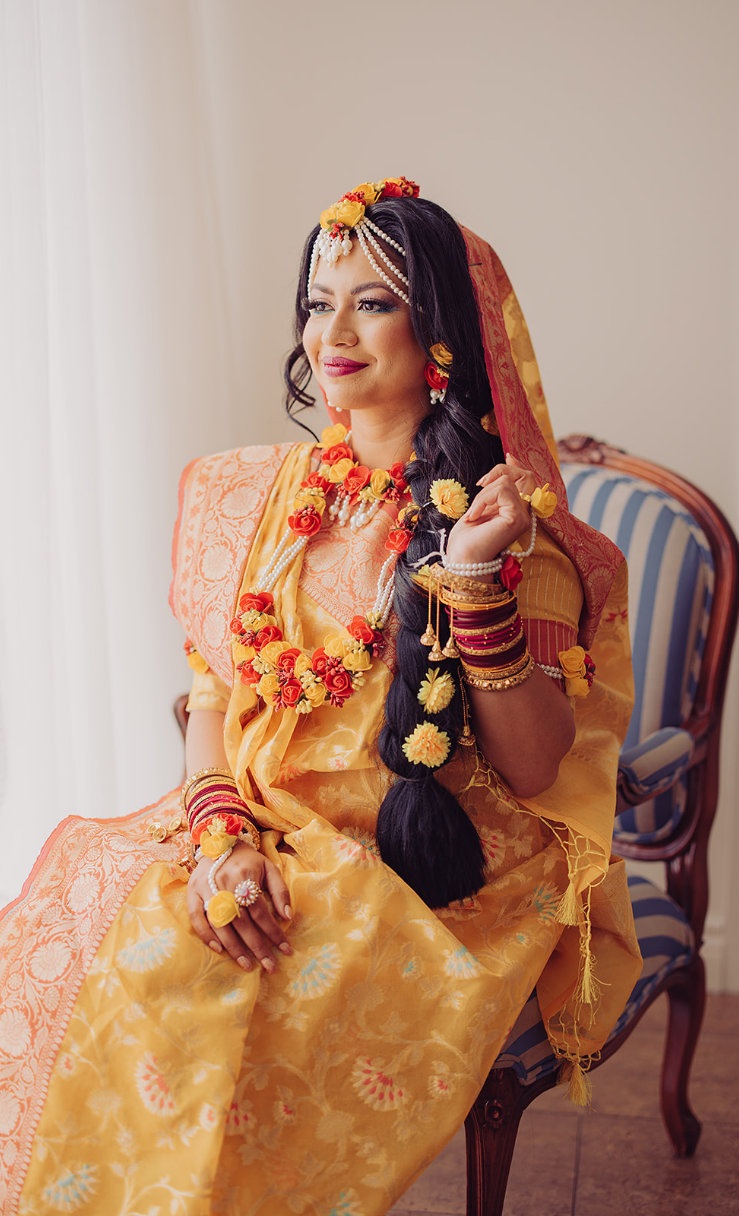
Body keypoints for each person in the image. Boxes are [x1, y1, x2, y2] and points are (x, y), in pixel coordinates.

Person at [1, 178, 640, 1215]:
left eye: (373, 301)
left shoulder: (506, 529)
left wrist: (474, 584)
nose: (330, 332)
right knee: (83, 938)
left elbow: (531, 770)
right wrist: (218, 836)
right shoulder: (263, 498)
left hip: (435, 874)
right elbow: (211, 697)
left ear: (440, 329)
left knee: (195, 980)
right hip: (257, 826)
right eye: (316, 300)